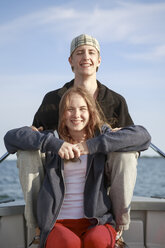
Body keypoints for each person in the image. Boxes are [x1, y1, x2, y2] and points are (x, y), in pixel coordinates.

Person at [6, 34, 143, 247]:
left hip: (101, 164)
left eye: (91, 52)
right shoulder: (53, 99)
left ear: (99, 60)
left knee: (125, 155)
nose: (76, 115)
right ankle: (38, 227)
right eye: (79, 52)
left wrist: (95, 144)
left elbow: (139, 137)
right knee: (27, 153)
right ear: (70, 60)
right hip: (57, 162)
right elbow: (23, 136)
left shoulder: (116, 101)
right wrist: (54, 143)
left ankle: (118, 229)